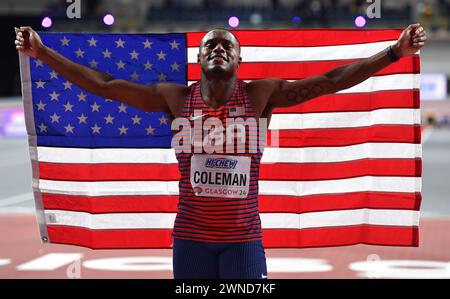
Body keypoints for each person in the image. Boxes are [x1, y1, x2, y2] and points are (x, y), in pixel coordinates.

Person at [15, 24, 426, 279]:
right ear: (198, 57)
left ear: (239, 60)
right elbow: (104, 86)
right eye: (211, 45)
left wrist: (393, 53)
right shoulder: (176, 98)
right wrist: (43, 53)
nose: (218, 49)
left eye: (227, 46)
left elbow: (331, 80)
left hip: (243, 241)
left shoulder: (261, 95)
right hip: (190, 239)